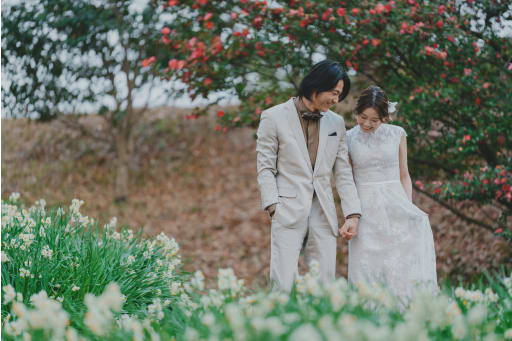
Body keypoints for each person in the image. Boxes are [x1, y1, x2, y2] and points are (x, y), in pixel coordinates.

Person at [256, 60, 362, 292]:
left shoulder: (337, 123)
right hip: (286, 209)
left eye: (340, 95)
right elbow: (265, 167)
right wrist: (273, 205)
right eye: (333, 93)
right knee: (283, 282)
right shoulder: (273, 117)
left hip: (323, 212)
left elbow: (343, 170)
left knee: (324, 283)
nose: (336, 100)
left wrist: (352, 213)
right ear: (316, 86)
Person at [346, 85, 438, 306]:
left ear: (384, 118)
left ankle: (404, 311)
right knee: (368, 262)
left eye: (374, 120)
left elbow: (404, 175)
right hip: (366, 208)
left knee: (400, 262)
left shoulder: (397, 134)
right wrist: (351, 213)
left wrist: (407, 206)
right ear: (356, 112)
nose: (367, 124)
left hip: (396, 204)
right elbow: (347, 179)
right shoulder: (347, 138)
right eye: (363, 117)